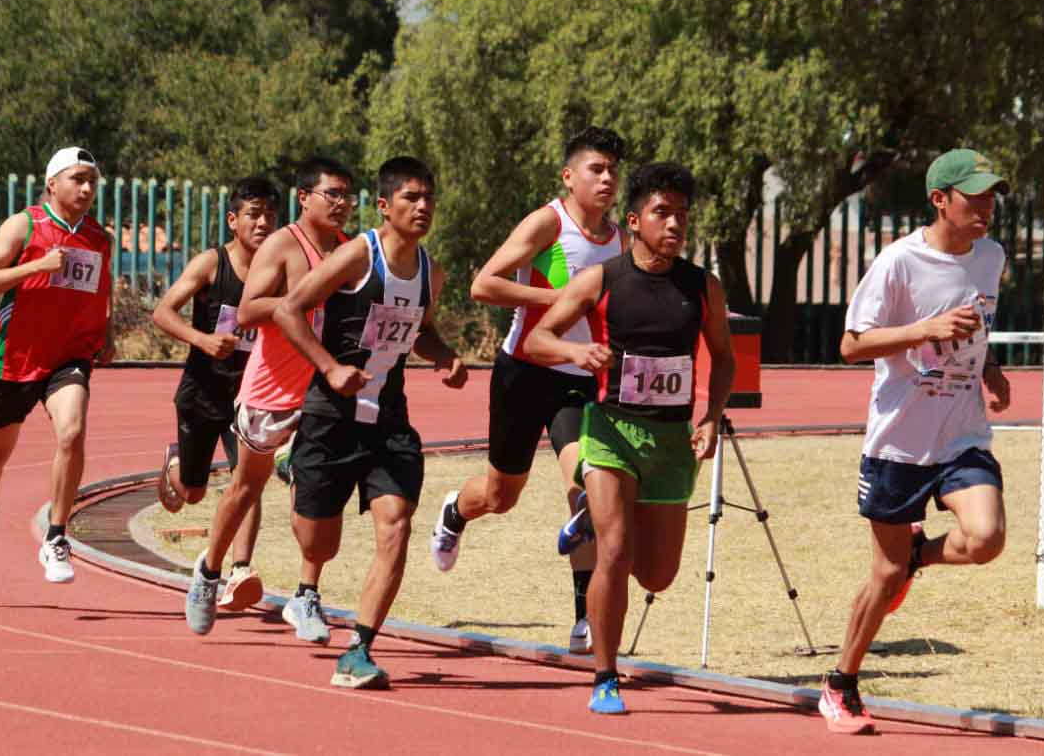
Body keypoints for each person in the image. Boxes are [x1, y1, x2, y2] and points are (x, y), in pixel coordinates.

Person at [524, 161, 733, 714]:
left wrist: (711, 416)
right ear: (635, 222)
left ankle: (600, 513)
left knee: (658, 575)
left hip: (669, 442)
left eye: (682, 215)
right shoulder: (602, 280)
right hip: (611, 431)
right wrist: (575, 351)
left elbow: (725, 357)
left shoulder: (702, 286)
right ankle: (605, 677)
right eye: (662, 213)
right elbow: (537, 340)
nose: (675, 224)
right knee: (613, 552)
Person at [818, 148, 1012, 735]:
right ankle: (840, 684)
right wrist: (922, 330)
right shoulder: (898, 262)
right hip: (898, 444)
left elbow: (976, 327)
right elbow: (851, 346)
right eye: (973, 196)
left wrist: (991, 369)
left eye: (991, 196)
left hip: (962, 435)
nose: (986, 208)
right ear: (939, 200)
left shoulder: (992, 256)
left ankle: (916, 559)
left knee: (986, 538)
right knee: (882, 575)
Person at [429, 125, 626, 654]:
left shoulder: (622, 240)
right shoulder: (548, 222)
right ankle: (454, 512)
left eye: (613, 171)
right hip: (524, 370)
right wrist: (560, 297)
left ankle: (585, 616)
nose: (608, 179)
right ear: (569, 176)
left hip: (581, 377)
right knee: (500, 496)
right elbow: (482, 284)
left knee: (585, 488)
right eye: (596, 169)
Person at [274, 156, 467, 689]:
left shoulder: (432, 271)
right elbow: (289, 309)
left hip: (389, 418)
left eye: (429, 198)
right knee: (319, 544)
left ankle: (358, 649)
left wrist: (445, 356)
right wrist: (331, 367)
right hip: (330, 415)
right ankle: (296, 471)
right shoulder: (358, 256)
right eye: (410, 198)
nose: (423, 207)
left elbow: (421, 331)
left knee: (396, 524)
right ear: (384, 206)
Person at [183, 158, 352, 635]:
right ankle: (209, 572)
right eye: (331, 194)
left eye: (346, 196)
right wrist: (298, 302)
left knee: (317, 492)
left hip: (320, 390)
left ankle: (307, 594)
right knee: (244, 489)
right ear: (305, 198)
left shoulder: (350, 250)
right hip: (269, 390)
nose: (341, 204)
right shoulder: (282, 246)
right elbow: (249, 311)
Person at [0, 147, 115, 584]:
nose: (86, 189)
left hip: (70, 356)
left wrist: (108, 333)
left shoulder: (100, 238)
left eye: (92, 182)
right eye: (77, 179)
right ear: (52, 183)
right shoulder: (24, 226)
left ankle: (56, 536)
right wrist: (38, 266)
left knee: (73, 430)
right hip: (18, 358)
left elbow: (103, 289)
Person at [153, 176, 281, 612]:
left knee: (249, 481)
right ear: (233, 221)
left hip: (249, 393)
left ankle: (240, 569)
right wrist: (202, 339)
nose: (263, 222)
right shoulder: (211, 264)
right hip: (202, 391)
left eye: (270, 214)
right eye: (253, 214)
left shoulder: (280, 270)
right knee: (191, 492)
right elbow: (162, 312)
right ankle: (175, 462)